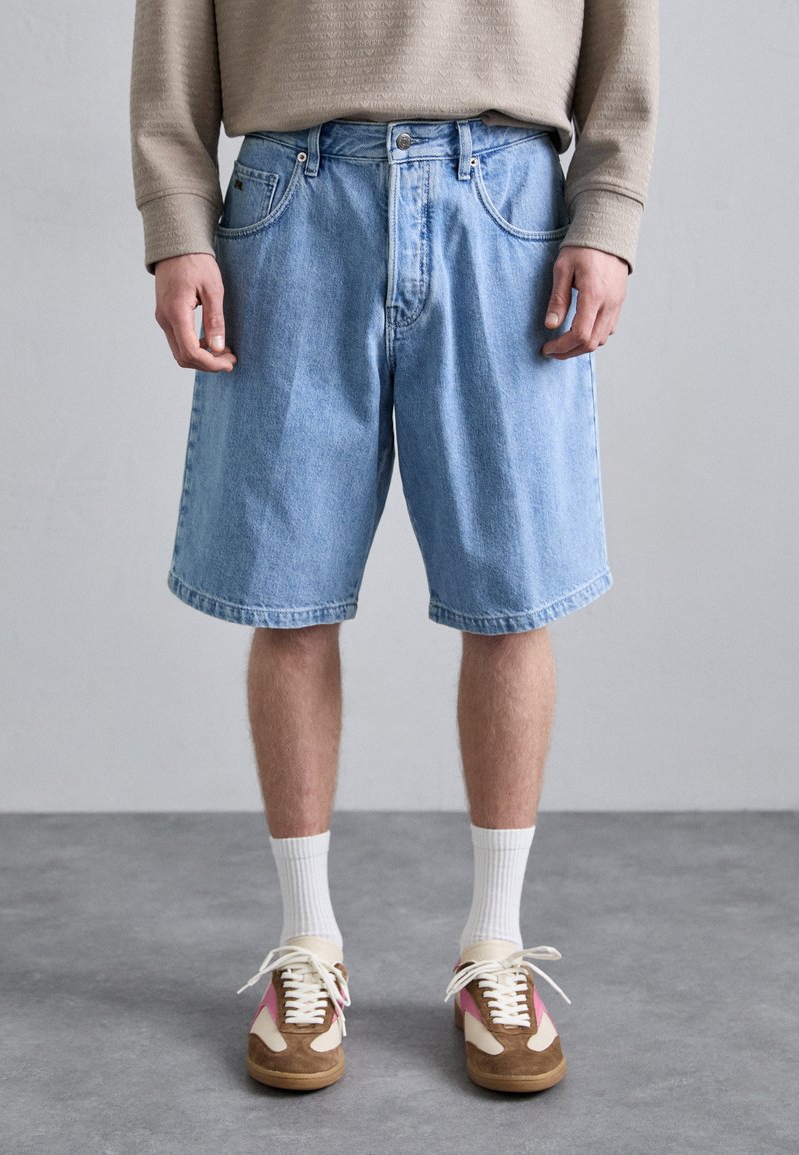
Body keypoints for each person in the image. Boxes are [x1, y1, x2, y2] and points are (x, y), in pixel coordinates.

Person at [130, 0, 659, 1094]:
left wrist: (608, 211)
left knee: (510, 596)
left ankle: (495, 947)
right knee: (289, 598)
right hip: (292, 197)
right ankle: (306, 946)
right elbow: (174, 35)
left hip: (506, 204)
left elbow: (621, 31)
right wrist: (177, 224)